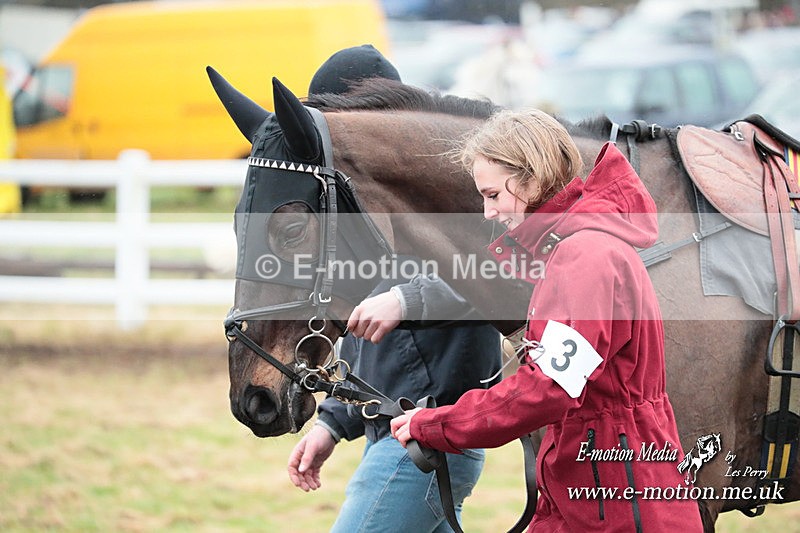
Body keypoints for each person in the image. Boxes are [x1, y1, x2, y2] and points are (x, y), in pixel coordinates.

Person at [387, 109, 705, 532]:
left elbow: (547, 390)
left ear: (533, 180)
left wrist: (437, 425)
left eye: (494, 195)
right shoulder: (580, 250)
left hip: (617, 501)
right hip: (597, 491)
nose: (487, 212)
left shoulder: (585, 257)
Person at [287, 45, 503, 533]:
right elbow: (377, 348)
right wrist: (332, 422)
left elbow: (498, 274)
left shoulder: (446, 191)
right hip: (397, 434)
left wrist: (407, 299)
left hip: (428, 439)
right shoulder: (368, 206)